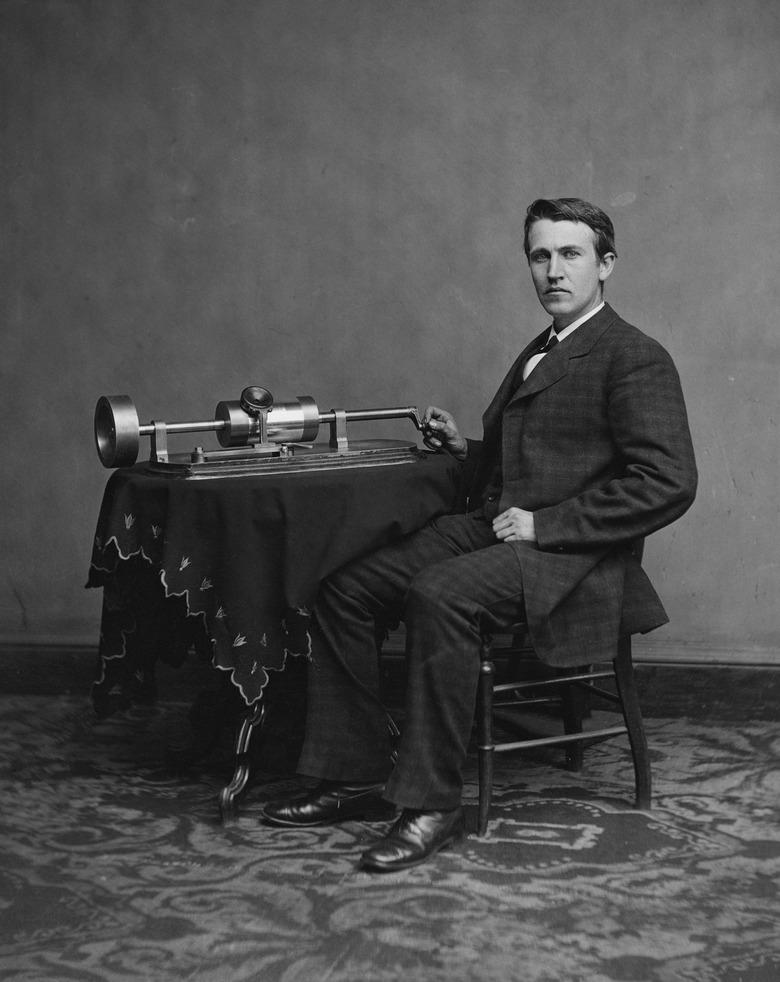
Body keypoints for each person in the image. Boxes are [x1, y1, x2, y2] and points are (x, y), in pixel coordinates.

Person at [262, 197, 698, 871]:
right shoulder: (543, 348)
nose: (554, 270)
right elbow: (536, 460)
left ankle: (433, 803)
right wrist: (464, 448)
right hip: (498, 527)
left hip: (570, 556)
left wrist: (547, 524)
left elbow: (668, 481)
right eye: (541, 255)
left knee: (440, 595)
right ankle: (352, 774)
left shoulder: (634, 357)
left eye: (571, 254)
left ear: (607, 265)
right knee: (344, 588)